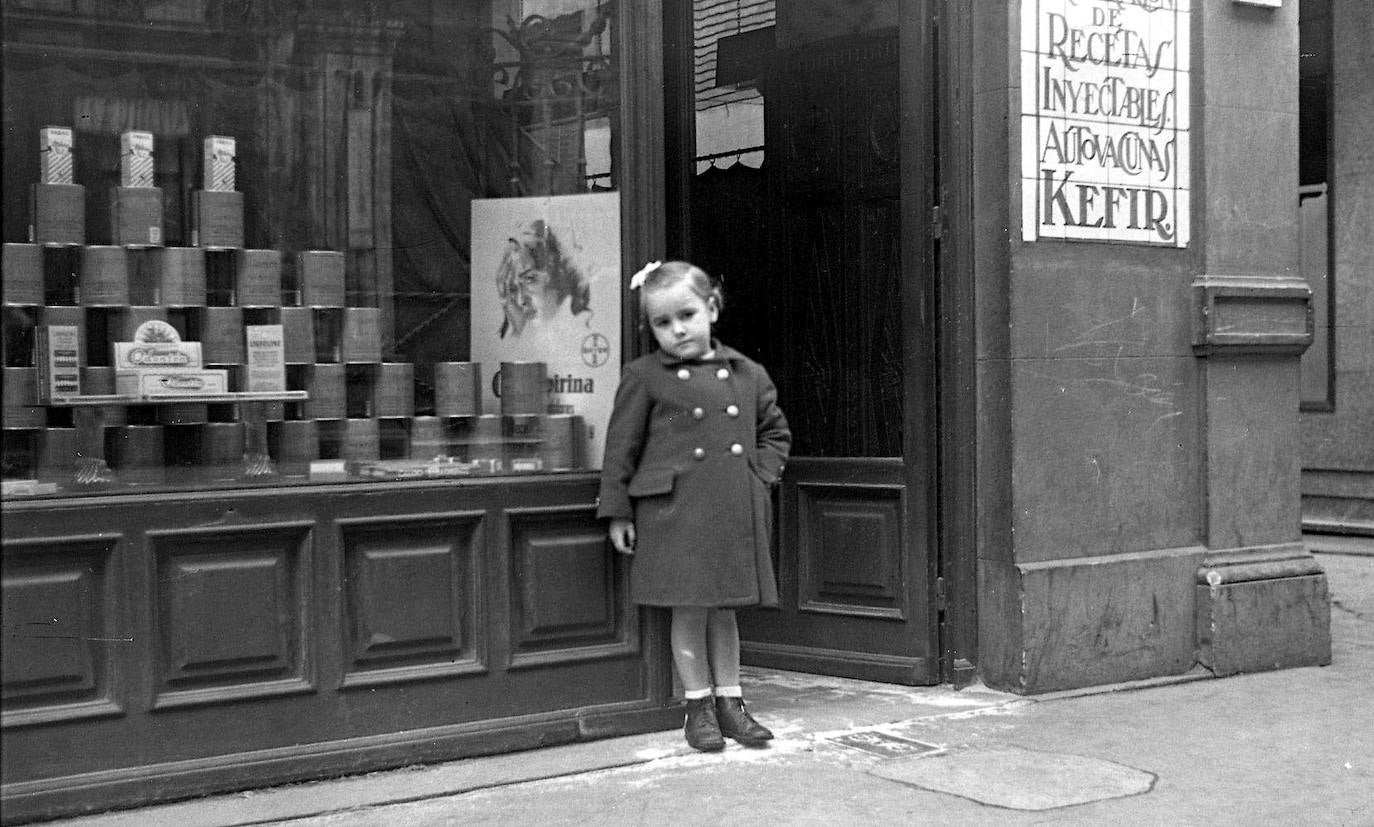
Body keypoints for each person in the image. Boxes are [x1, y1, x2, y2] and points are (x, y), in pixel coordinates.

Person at [597, 260, 791, 752]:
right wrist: (617, 510)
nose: (677, 329)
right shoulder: (643, 377)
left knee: (725, 608)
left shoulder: (748, 374)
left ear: (712, 308)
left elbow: (775, 432)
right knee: (689, 608)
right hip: (675, 511)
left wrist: (757, 478)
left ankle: (732, 704)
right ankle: (697, 706)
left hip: (730, 508)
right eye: (662, 323)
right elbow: (621, 447)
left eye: (686, 315)